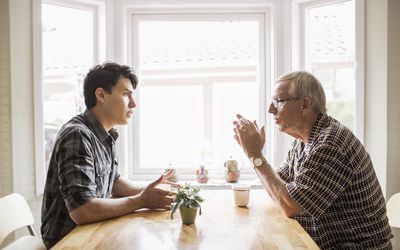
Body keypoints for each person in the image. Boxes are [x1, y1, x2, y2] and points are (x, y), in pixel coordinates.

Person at [233, 71, 392, 249]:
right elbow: (279, 189)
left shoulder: (331, 143)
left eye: (278, 101)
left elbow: (290, 204)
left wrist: (255, 155)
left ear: (305, 105)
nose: (271, 109)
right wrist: (254, 153)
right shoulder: (303, 141)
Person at [41, 62, 177, 248]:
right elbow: (82, 210)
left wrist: (153, 192)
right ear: (101, 95)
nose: (133, 104)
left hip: (92, 231)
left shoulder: (106, 134)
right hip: (69, 241)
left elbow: (113, 181)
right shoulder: (77, 135)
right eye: (126, 94)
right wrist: (141, 200)